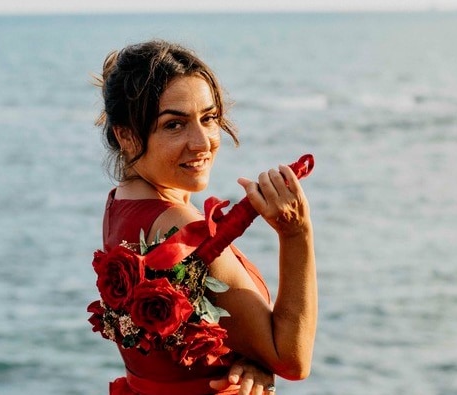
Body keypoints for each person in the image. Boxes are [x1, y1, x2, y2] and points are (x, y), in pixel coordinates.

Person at [93, 39, 317, 395]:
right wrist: (296, 233)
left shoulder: (119, 204)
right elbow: (292, 359)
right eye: (173, 125)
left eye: (208, 118)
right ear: (127, 136)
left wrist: (248, 356)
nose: (202, 142)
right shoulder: (178, 228)